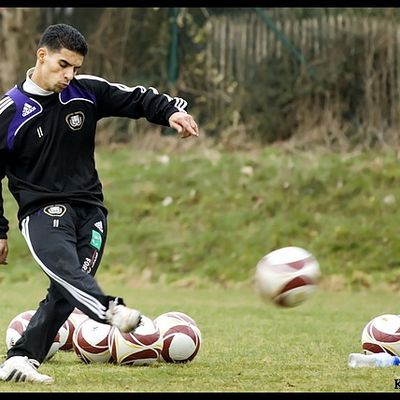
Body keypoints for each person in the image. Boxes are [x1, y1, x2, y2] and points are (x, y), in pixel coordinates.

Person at [0, 23, 199, 384]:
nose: (69, 75)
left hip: (92, 213)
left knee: (66, 289)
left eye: (75, 67)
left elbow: (137, 98)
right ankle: (111, 311)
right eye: (63, 65)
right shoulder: (9, 111)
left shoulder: (86, 92)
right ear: (41, 56)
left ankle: (20, 359)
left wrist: (170, 112)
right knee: (67, 272)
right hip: (43, 213)